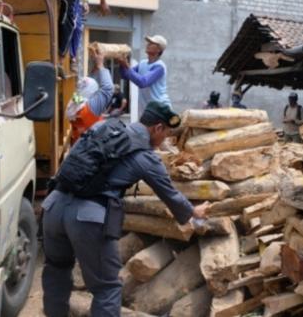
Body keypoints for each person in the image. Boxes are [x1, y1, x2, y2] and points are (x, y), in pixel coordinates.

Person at [41, 101, 209, 317]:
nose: (164, 141)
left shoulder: (104, 128)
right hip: (87, 218)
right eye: (165, 134)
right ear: (157, 128)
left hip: (53, 206)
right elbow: (171, 195)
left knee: (56, 270)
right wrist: (194, 212)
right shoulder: (145, 155)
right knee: (107, 288)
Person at [66, 49, 113, 143]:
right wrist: (100, 65)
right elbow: (108, 88)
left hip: (80, 147)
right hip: (93, 148)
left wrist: (95, 67)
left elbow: (88, 86)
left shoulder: (75, 102)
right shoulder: (90, 108)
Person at [117, 35, 171, 116]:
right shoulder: (143, 63)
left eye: (152, 43)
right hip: (147, 110)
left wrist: (126, 66)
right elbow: (125, 75)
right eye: (148, 42)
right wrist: (122, 64)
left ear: (159, 49)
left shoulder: (159, 66)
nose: (148, 44)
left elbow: (143, 82)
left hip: (160, 109)